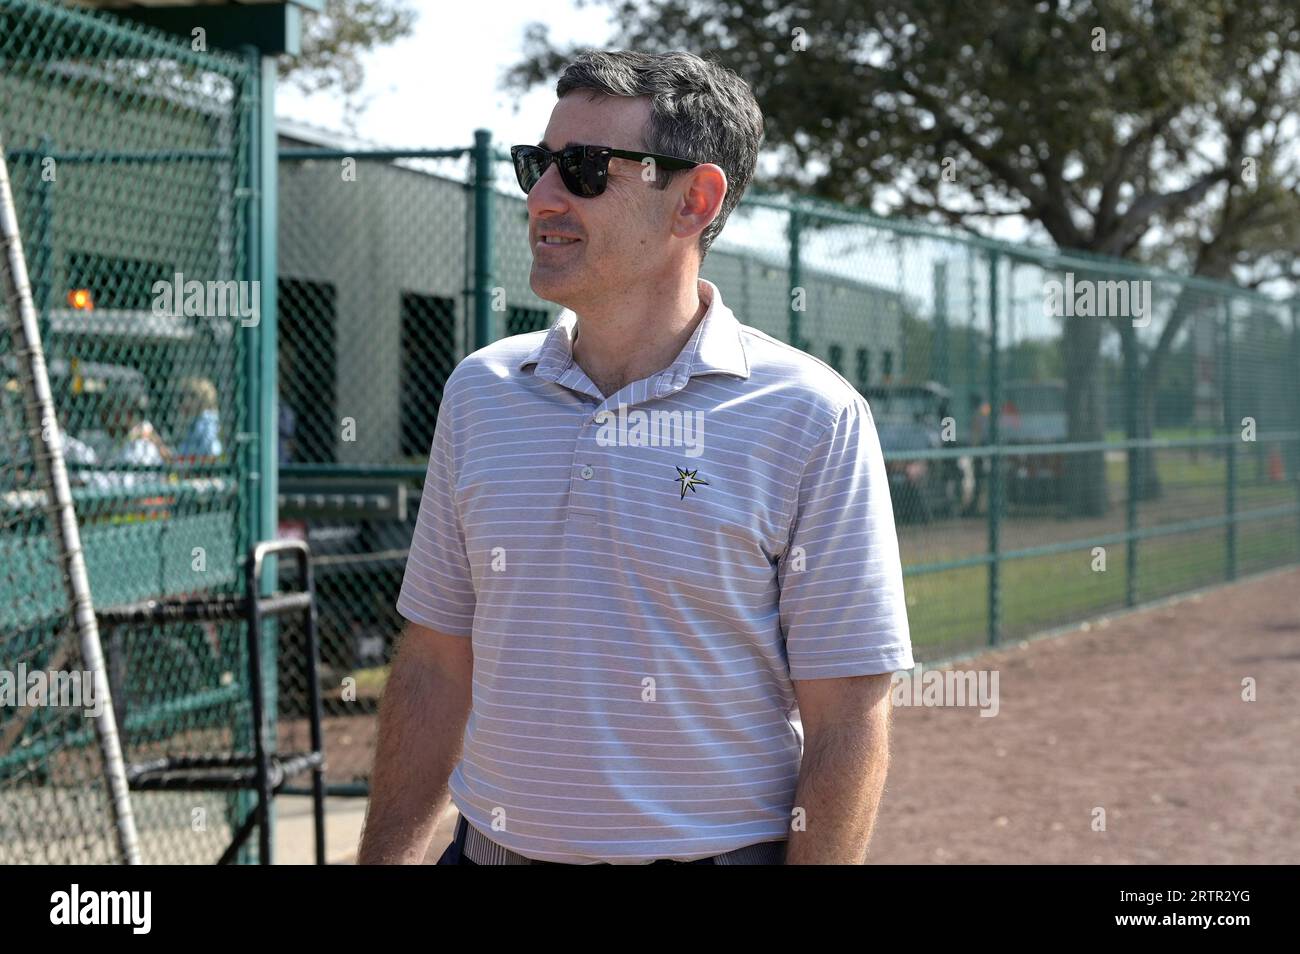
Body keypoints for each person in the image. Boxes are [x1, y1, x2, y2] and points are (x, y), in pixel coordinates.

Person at [358, 51, 913, 866]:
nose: (543, 197)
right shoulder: (481, 393)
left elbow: (848, 716)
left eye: (583, 169)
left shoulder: (811, 416)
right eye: (535, 166)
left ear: (696, 198)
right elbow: (437, 662)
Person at [171, 377, 222, 461]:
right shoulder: (196, 421)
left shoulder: (206, 420)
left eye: (184, 397)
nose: (182, 402)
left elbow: (208, 449)